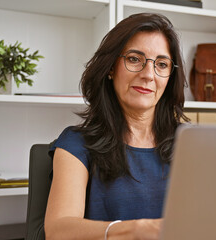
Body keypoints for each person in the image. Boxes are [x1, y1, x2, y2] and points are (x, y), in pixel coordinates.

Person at [44, 13, 188, 240]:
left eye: (161, 64)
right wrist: (134, 230)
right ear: (111, 68)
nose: (148, 75)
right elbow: (58, 230)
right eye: (134, 59)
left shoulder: (191, 142)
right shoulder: (76, 143)